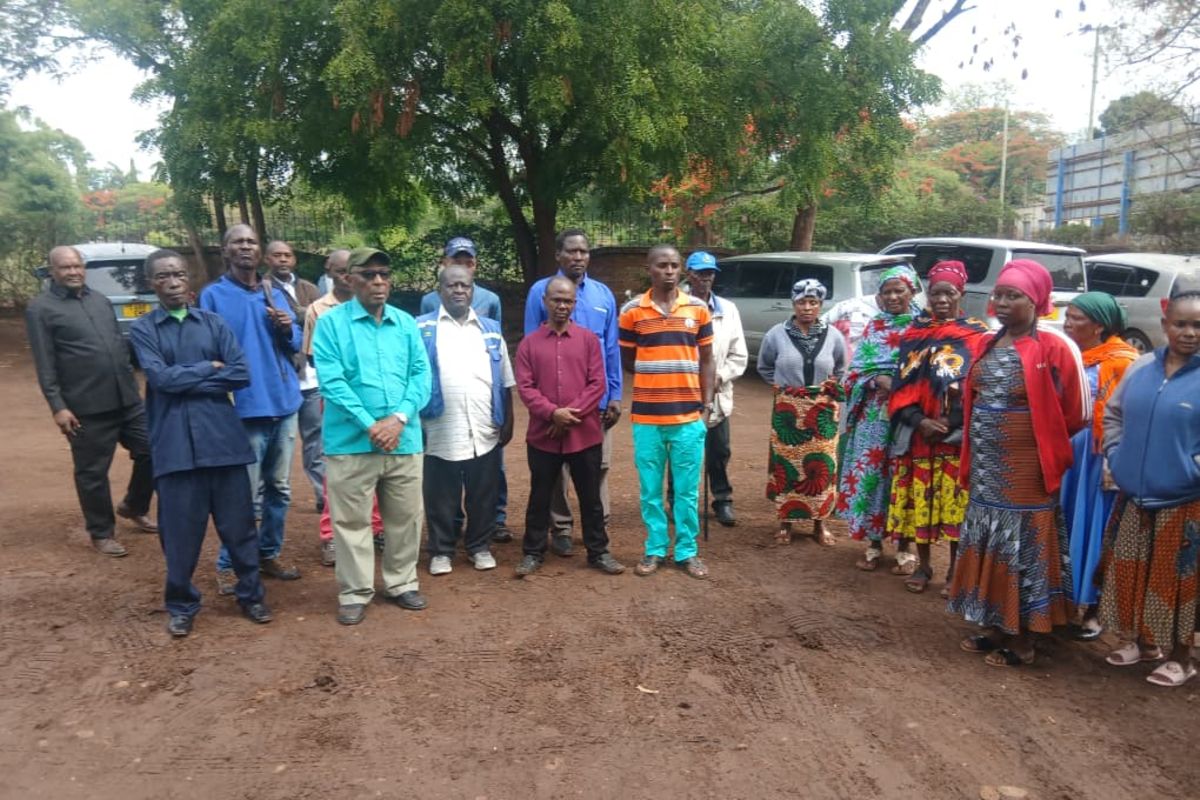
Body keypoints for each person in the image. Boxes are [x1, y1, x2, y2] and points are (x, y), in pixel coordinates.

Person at [949, 259, 1089, 668]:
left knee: (1022, 542)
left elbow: (1077, 411)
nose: (1003, 302)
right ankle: (996, 624)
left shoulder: (1055, 346)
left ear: (1037, 301)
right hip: (986, 465)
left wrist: (1036, 435)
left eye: (1014, 296)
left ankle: (1024, 636)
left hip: (1027, 468)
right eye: (999, 295)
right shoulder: (987, 342)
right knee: (989, 536)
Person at [129, 250, 272, 636]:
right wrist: (209, 367)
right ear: (152, 283)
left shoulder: (213, 323)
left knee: (240, 529)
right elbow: (160, 380)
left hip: (223, 442)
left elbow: (240, 373)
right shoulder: (143, 329)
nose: (173, 282)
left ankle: (251, 595)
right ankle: (181, 604)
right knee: (179, 536)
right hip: (175, 447)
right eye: (163, 276)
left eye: (178, 274)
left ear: (188, 278)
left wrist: (184, 377)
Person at [312, 247, 432, 626]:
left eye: (384, 274)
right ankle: (355, 591)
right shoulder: (331, 324)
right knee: (351, 522)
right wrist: (371, 424)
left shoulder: (405, 323)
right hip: (351, 443)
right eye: (368, 275)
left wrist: (398, 419)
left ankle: (402, 582)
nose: (379, 281)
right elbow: (332, 382)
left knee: (406, 518)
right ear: (349, 279)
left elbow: (421, 375)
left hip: (403, 440)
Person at [25, 244, 155, 557]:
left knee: (153, 450)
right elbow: (45, 363)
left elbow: (118, 345)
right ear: (52, 272)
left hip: (126, 399)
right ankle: (101, 532)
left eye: (77, 266)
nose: (73, 272)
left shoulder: (100, 300)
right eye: (65, 267)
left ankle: (133, 505)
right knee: (92, 472)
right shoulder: (40, 309)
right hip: (85, 405)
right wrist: (58, 406)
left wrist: (131, 383)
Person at [1098, 289, 1200, 686]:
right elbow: (1114, 414)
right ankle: (1143, 643)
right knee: (1133, 571)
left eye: (1198, 326)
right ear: (1164, 326)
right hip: (1135, 496)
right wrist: (1116, 453)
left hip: (1186, 501)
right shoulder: (1141, 367)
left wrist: (1191, 470)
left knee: (1178, 583)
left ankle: (1181, 657)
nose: (1189, 333)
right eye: (1181, 324)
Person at [198, 224, 303, 592]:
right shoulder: (213, 296)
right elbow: (206, 350)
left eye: (251, 241)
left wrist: (288, 328)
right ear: (225, 250)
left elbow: (297, 342)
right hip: (244, 408)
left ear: (260, 250)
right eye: (238, 242)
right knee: (243, 494)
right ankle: (229, 563)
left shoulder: (274, 291)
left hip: (284, 402)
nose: (245, 247)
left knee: (280, 489)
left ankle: (268, 553)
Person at [885, 261, 989, 595]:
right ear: (927, 296)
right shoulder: (914, 334)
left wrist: (949, 421)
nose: (942, 300)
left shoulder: (977, 335)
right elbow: (902, 385)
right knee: (920, 502)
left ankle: (955, 570)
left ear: (962, 294)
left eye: (950, 293)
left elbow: (980, 386)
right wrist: (920, 420)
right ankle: (924, 565)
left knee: (954, 504)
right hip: (918, 434)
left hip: (954, 437)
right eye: (935, 293)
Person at [513, 276, 625, 576]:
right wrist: (552, 414)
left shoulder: (588, 341)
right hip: (543, 436)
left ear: (575, 304)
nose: (562, 306)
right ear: (545, 302)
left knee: (590, 498)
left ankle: (598, 551)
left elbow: (597, 383)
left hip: (584, 435)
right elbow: (526, 388)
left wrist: (568, 416)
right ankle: (533, 552)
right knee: (540, 497)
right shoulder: (529, 344)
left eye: (568, 301)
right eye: (556, 300)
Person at [619, 245, 715, 579]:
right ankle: (655, 549)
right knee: (650, 490)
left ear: (681, 269)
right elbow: (628, 360)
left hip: (688, 418)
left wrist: (706, 406)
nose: (669, 271)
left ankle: (687, 551)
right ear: (650, 269)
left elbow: (707, 360)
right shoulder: (632, 311)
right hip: (647, 419)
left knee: (686, 491)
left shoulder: (698, 309)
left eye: (675, 265)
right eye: (662, 265)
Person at [417, 265, 515, 575]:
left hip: (483, 428)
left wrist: (508, 420)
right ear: (440, 290)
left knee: (483, 494)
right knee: (440, 495)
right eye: (452, 285)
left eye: (465, 286)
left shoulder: (490, 329)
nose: (459, 290)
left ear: (473, 290)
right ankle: (441, 551)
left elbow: (505, 380)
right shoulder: (421, 328)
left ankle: (479, 546)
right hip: (438, 428)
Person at [1060, 292, 1138, 637]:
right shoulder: (1070, 354)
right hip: (1068, 457)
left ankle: (1093, 609)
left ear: (1099, 326)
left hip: (1099, 460)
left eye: (1076, 318)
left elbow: (1130, 417)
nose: (1067, 323)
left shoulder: (1125, 362)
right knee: (1065, 523)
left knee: (1096, 527)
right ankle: (1063, 602)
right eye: (1067, 316)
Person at [837, 264, 922, 571]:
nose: (893, 297)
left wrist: (901, 384)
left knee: (903, 475)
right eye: (887, 292)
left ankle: (905, 547)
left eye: (900, 291)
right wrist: (876, 381)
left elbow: (932, 370)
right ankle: (873, 544)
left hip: (910, 415)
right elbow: (854, 374)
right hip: (873, 417)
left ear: (912, 292)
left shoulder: (923, 327)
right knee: (873, 476)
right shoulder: (875, 327)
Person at [304, 250, 385, 566]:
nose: (343, 277)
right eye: (338, 271)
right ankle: (331, 536)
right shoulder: (319, 311)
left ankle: (375, 527)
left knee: (379, 463)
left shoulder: (382, 311)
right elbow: (316, 361)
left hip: (379, 403)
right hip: (339, 403)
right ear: (334, 273)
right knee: (339, 471)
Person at [757, 279, 848, 546]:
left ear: (821, 305)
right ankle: (786, 522)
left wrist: (826, 389)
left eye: (813, 302)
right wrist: (786, 390)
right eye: (801, 302)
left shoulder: (833, 335)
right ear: (793, 304)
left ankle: (820, 523)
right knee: (788, 466)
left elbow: (841, 368)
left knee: (823, 466)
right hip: (789, 410)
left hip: (823, 411)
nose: (807, 308)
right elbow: (764, 366)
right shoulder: (776, 334)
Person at [681, 251, 747, 526]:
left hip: (718, 393)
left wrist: (719, 376)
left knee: (718, 452)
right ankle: (677, 500)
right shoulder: (678, 306)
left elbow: (739, 355)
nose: (705, 278)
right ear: (689, 274)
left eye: (709, 273)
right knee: (682, 450)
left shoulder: (728, 309)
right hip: (683, 392)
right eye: (699, 273)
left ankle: (722, 500)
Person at [265, 240, 325, 512]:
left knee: (315, 440)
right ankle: (268, 498)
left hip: (312, 378)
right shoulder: (262, 289)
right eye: (277, 255)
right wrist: (305, 315)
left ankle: (322, 495)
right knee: (278, 443)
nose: (283, 260)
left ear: (294, 259)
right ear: (267, 259)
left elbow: (322, 321)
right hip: (282, 378)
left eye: (287, 255)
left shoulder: (309, 288)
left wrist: (298, 315)